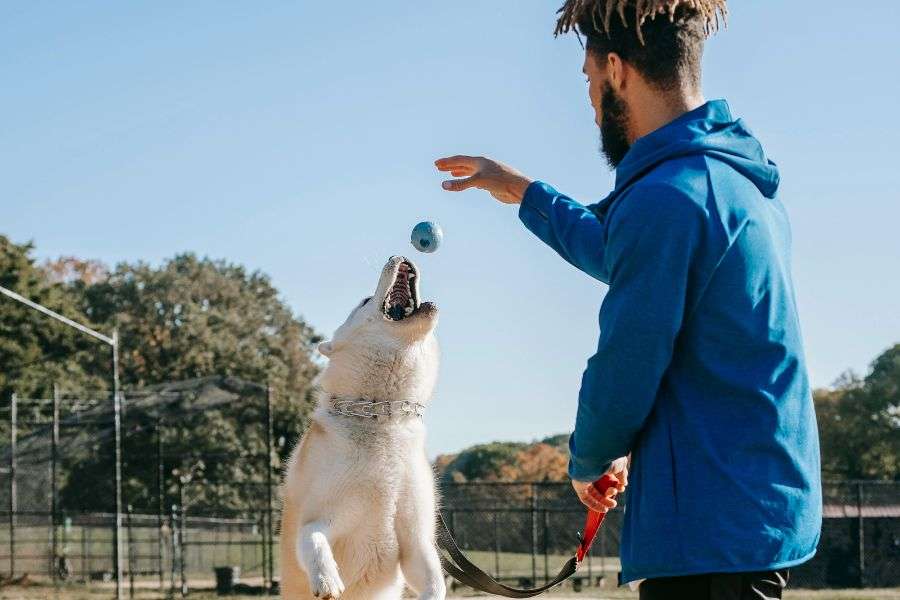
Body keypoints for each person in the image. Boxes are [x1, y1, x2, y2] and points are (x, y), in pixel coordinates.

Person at [434, 1, 822, 598]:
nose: (591, 105)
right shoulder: (730, 183)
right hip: (747, 514)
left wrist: (590, 456)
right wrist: (523, 192)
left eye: (589, 82)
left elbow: (627, 360)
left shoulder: (668, 198)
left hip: (709, 531)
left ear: (616, 70)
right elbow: (626, 253)